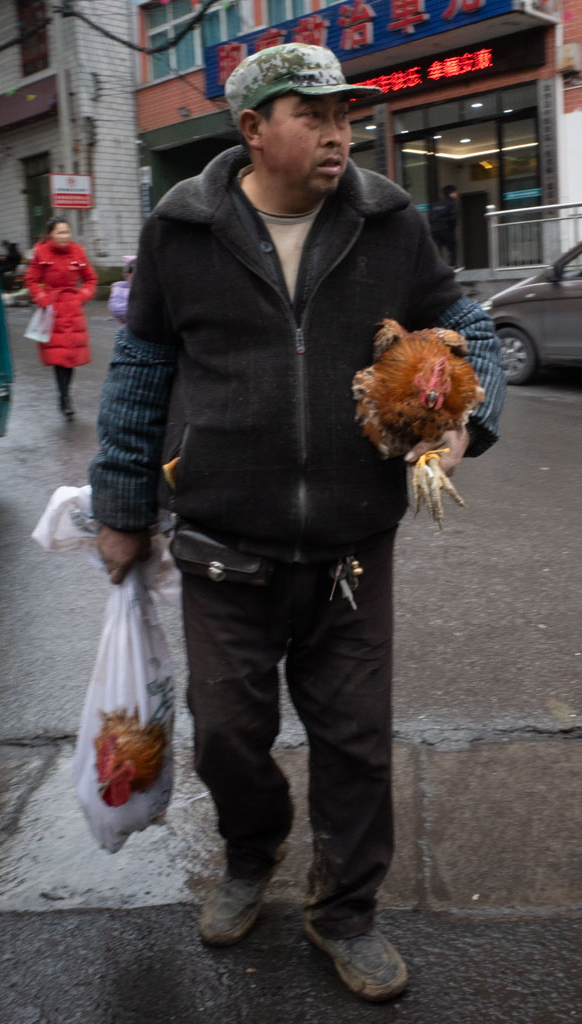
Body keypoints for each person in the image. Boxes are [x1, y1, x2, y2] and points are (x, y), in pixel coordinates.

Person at [89, 43, 505, 1004]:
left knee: (356, 741)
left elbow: (467, 328)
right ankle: (253, 849)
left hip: (351, 547)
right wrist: (121, 507)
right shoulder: (180, 231)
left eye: (343, 116)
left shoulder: (388, 223)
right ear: (252, 130)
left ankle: (345, 911)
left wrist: (463, 424)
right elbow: (141, 370)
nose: (336, 134)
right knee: (224, 733)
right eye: (311, 116)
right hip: (221, 544)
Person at [24, 217, 97, 419]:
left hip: (73, 309)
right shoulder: (42, 252)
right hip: (52, 310)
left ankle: (65, 395)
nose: (64, 236)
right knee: (59, 357)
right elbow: (31, 279)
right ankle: (64, 397)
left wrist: (82, 297)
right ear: (50, 234)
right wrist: (42, 298)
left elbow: (90, 278)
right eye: (60, 232)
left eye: (67, 232)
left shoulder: (77, 251)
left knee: (71, 356)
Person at [429, 184, 459, 269]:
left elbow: (430, 217)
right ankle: (452, 266)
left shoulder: (435, 204)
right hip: (446, 228)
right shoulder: (451, 203)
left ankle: (440, 267)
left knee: (438, 249)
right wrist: (452, 227)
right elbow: (453, 217)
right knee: (452, 247)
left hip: (434, 230)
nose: (456, 194)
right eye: (455, 192)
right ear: (451, 193)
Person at [108, 256, 136, 325]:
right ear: (127, 275)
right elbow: (116, 309)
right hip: (129, 328)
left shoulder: (149, 289)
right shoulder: (120, 288)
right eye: (133, 277)